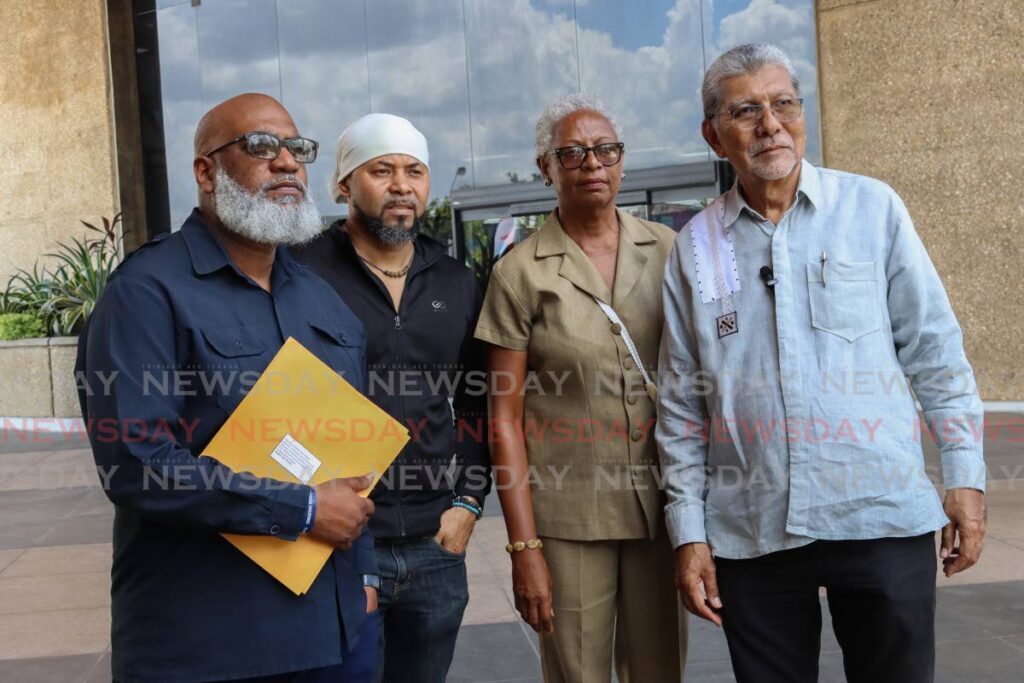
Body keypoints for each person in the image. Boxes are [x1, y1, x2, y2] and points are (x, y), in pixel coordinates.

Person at [656, 43, 987, 683]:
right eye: (746, 111)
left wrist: (965, 478)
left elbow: (937, 353)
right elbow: (680, 403)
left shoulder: (873, 209)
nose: (770, 124)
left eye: (783, 104)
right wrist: (689, 533)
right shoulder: (696, 246)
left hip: (879, 514)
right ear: (713, 135)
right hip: (751, 529)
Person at [77, 93, 381, 682]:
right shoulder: (145, 293)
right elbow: (137, 463)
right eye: (262, 146)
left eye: (297, 148)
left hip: (338, 632)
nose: (288, 162)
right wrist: (305, 508)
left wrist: (364, 577)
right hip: (210, 642)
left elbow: (354, 454)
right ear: (206, 171)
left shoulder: (322, 299)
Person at [475, 94, 687, 683]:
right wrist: (524, 549)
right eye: (572, 153)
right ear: (546, 167)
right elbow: (503, 421)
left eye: (605, 150)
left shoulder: (670, 252)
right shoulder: (520, 273)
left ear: (622, 162)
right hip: (567, 520)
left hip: (661, 510)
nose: (591, 163)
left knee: (660, 671)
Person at [292, 113, 491, 683]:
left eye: (415, 171)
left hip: (436, 541)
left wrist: (470, 499)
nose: (402, 184)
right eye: (381, 170)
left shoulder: (456, 281)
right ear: (342, 184)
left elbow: (477, 399)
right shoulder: (300, 272)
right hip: (342, 539)